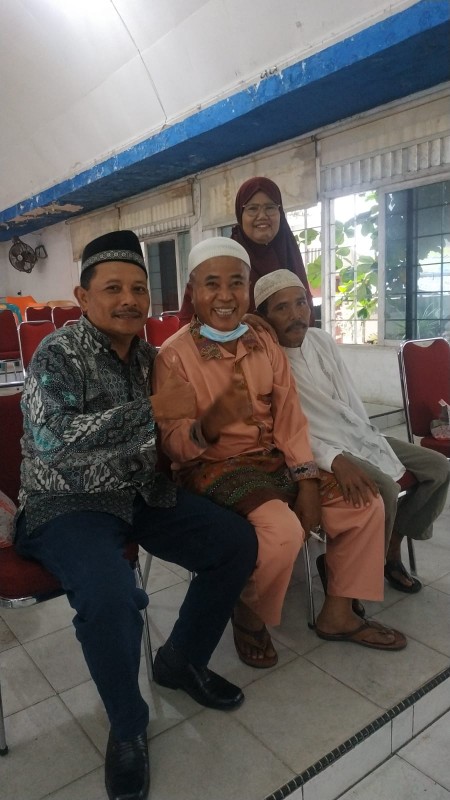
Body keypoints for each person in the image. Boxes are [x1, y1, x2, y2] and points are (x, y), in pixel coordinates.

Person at [13, 230, 259, 800]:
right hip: (68, 503)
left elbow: (173, 434)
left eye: (139, 289)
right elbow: (51, 439)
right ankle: (127, 726)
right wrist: (149, 410)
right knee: (111, 598)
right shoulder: (57, 354)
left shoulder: (151, 357)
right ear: (83, 296)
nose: (129, 300)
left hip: (140, 494)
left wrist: (208, 425)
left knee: (234, 542)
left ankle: (181, 660)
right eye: (113, 288)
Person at [154, 236, 406, 673]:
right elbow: (174, 446)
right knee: (283, 531)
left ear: (248, 288)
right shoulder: (174, 356)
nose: (225, 295)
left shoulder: (262, 342)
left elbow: (290, 417)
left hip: (272, 459)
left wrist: (307, 479)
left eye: (236, 282)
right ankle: (248, 611)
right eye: (212, 284)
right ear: (192, 290)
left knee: (364, 504)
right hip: (210, 466)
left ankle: (338, 614)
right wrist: (206, 428)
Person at [254, 269, 450, 593]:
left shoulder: (321, 340)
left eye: (301, 303)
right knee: (385, 489)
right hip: (321, 448)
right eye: (281, 307)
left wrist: (370, 436)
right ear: (264, 318)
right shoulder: (266, 360)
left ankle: (392, 546)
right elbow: (284, 429)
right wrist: (334, 459)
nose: (296, 315)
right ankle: (348, 570)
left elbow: (349, 396)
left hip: (358, 434)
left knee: (438, 467)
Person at [178, 176, 314, 325]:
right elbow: (188, 322)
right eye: (252, 209)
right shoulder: (223, 259)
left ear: (280, 211)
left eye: (270, 207)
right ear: (240, 214)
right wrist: (239, 325)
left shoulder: (289, 253)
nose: (262, 216)